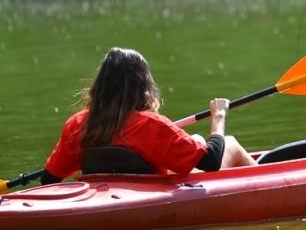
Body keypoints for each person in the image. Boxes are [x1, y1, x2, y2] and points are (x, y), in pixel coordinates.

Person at [42, 47, 256, 180]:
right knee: (230, 143)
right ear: (143, 86)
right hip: (148, 196)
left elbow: (50, 178)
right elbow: (211, 162)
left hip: (109, 197)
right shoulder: (150, 125)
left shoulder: (78, 124)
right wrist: (218, 116)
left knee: (197, 139)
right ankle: (272, 180)